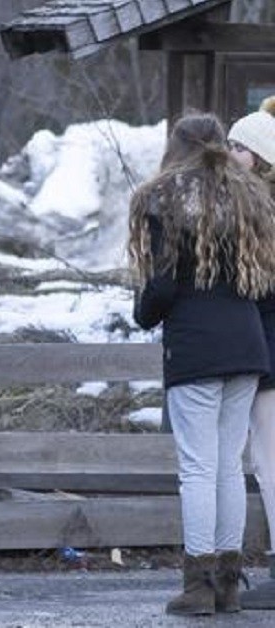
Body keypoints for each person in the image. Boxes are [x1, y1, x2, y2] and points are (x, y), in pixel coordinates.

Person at [129, 113, 275, 616]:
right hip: (247, 346)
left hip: (195, 348)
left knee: (196, 468)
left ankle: (197, 586)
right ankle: (229, 586)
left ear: (178, 148)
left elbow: (163, 285)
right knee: (229, 467)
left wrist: (143, 311)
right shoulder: (248, 197)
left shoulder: (164, 199)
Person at [229, 97, 275, 610]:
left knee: (270, 460)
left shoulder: (262, 213)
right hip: (263, 343)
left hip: (269, 345)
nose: (231, 153)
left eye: (241, 146)